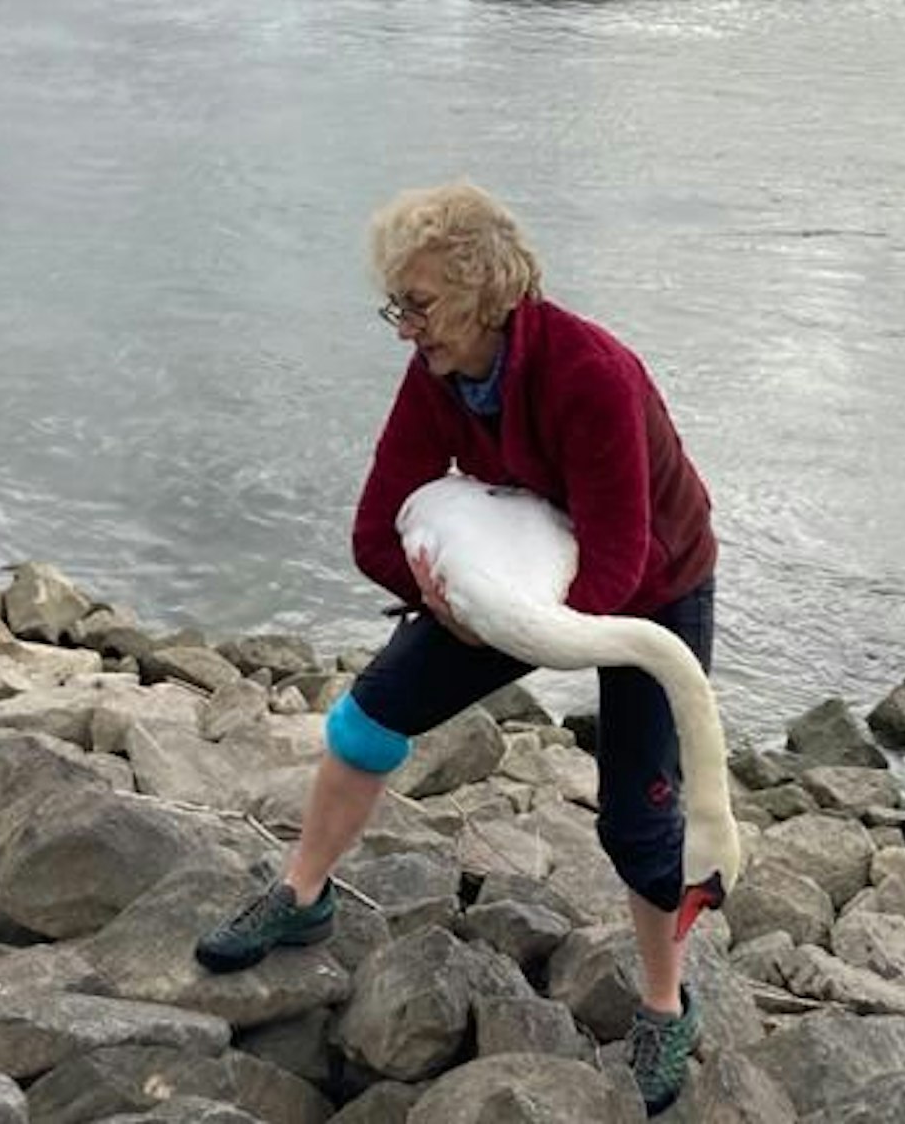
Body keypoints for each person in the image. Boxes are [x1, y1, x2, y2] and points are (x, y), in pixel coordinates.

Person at [195, 181, 720, 1115]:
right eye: (395, 302)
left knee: (638, 819)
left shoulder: (589, 372)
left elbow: (613, 567)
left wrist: (498, 617)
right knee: (367, 717)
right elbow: (372, 532)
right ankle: (303, 889)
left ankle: (663, 1002)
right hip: (514, 579)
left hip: (650, 586)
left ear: (489, 292)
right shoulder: (437, 376)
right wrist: (435, 596)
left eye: (421, 303)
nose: (404, 325)